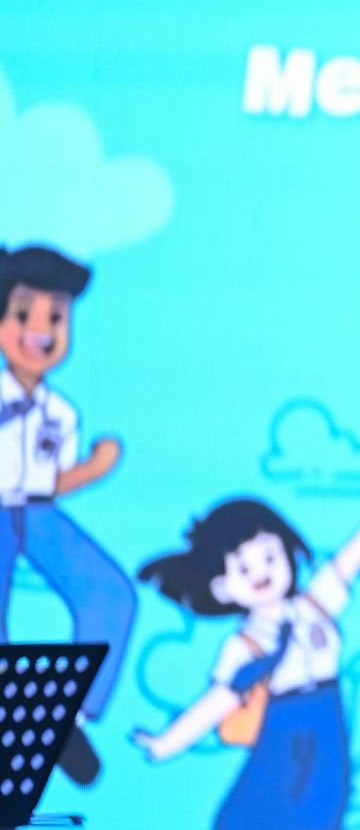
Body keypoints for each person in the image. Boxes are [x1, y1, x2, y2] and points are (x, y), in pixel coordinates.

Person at [132, 487, 360, 830]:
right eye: (243, 568)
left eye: (269, 557)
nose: (260, 573)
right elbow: (220, 700)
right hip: (284, 738)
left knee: (324, 812)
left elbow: (343, 568)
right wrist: (167, 743)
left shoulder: (312, 606)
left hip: (328, 732)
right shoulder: (244, 644)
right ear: (222, 587)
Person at [0, 245, 137, 785]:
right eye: (23, 314)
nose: (41, 330)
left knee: (110, 594)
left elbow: (48, 481)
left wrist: (94, 469)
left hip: (35, 512)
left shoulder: (60, 413)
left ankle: (67, 718)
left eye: (56, 318)